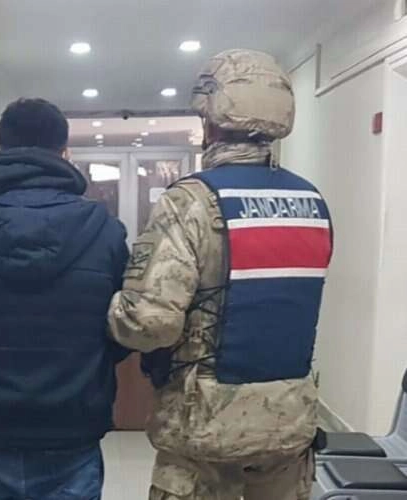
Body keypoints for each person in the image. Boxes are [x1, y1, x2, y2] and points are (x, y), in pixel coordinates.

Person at [108, 49, 334, 500]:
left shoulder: (190, 200)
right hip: (290, 421)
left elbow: (150, 324)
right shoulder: (311, 201)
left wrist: (115, 306)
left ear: (209, 121)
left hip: (207, 426)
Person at [0, 98, 130, 500]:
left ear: (1, 149)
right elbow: (122, 330)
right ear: (64, 153)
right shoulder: (105, 229)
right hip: (72, 423)